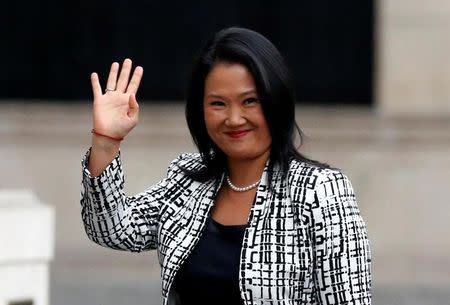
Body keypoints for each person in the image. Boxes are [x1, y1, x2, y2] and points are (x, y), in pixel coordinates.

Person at [80, 27, 372, 305]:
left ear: (276, 100)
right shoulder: (186, 181)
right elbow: (110, 228)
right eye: (218, 104)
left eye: (250, 101)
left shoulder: (320, 192)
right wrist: (106, 141)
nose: (234, 119)